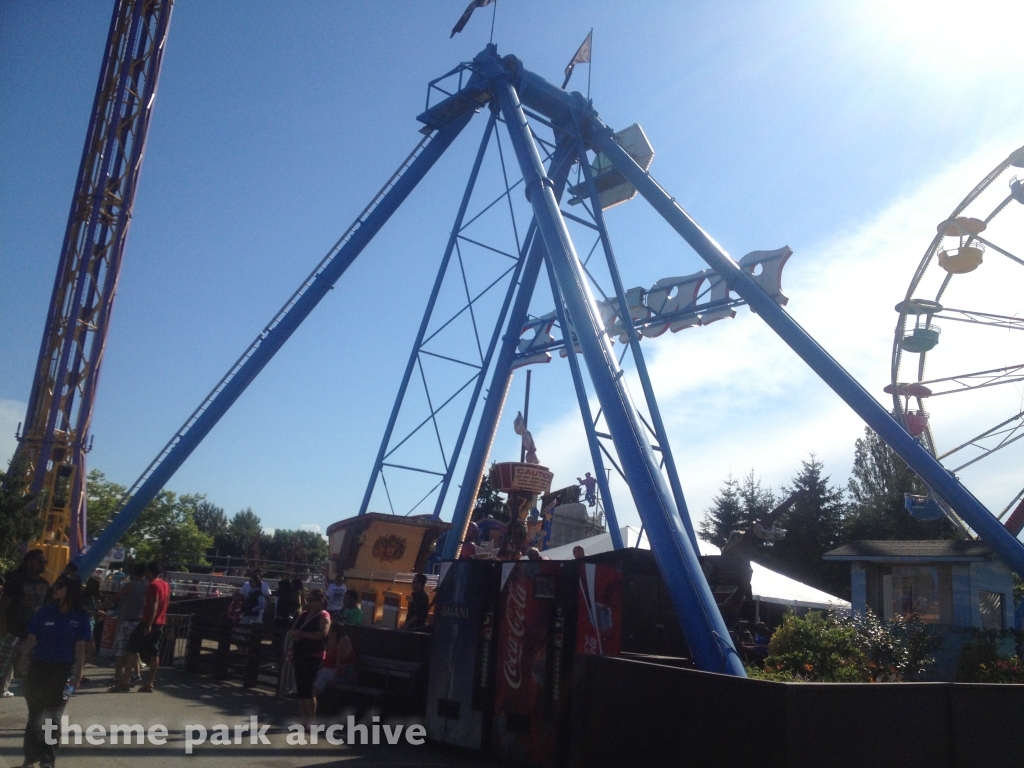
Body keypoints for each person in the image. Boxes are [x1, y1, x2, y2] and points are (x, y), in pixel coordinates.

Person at [16, 574, 90, 768]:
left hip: (64, 672)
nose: (55, 588)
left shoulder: (80, 617)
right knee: (36, 716)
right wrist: (24, 657)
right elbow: (31, 638)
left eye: (60, 585)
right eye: (55, 585)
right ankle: (30, 758)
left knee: (53, 718)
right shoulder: (44, 612)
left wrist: (78, 673)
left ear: (71, 590)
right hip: (39, 669)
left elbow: (80, 646)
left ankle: (47, 761)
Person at [0, 549, 50, 698]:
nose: (43, 564)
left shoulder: (45, 584)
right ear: (29, 564)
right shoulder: (17, 581)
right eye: (39, 561)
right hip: (12, 630)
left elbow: (45, 610)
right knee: (3, 665)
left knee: (29, 667)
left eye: (45, 562)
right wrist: (3, 628)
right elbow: (3, 606)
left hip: (32, 633)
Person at [121, 562, 169, 693]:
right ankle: (149, 683)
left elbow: (153, 604)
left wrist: (148, 624)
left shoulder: (152, 585)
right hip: (160, 622)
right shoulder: (165, 585)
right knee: (154, 652)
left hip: (148, 622)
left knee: (131, 649)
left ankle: (124, 682)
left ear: (149, 572)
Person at [288, 589, 330, 722]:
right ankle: (303, 717)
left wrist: (304, 635)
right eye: (309, 599)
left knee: (308, 687)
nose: (310, 602)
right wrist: (295, 634)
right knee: (300, 687)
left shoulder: (324, 615)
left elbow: (323, 634)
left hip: (313, 654)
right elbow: (292, 630)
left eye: (313, 599)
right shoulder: (303, 614)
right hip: (299, 652)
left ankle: (311, 720)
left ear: (320, 601)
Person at [104, 563, 147, 692]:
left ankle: (118, 676)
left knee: (120, 650)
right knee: (133, 650)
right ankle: (136, 674)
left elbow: (116, 597)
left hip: (126, 620)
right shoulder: (147, 586)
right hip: (139, 620)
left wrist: (103, 605)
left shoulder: (129, 586)